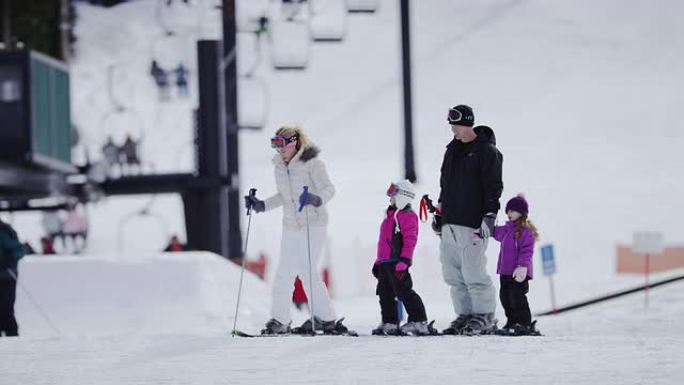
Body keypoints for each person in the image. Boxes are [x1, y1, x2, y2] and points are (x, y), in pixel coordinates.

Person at [244, 125, 347, 335]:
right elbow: (284, 196)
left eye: (281, 144)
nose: (278, 149)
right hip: (290, 225)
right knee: (284, 272)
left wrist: (316, 199)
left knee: (306, 268)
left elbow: (329, 189)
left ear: (294, 142)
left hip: (313, 223)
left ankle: (326, 318)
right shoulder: (279, 167)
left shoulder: (312, 163)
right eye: (275, 144)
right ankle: (280, 319)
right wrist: (261, 205)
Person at [435, 104, 503, 335]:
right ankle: (465, 315)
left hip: (473, 222)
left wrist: (489, 217)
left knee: (473, 271)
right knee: (453, 273)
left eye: (455, 124)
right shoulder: (451, 151)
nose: (452, 129)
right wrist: (439, 212)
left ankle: (484, 315)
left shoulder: (487, 152)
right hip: (451, 221)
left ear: (467, 123)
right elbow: (445, 184)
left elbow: (493, 187)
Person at [371, 180, 429, 336]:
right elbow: (383, 243)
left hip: (397, 263)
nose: (391, 200)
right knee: (385, 293)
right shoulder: (389, 217)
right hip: (385, 263)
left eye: (394, 197)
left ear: (403, 197)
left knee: (404, 291)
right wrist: (378, 262)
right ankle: (390, 322)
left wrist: (405, 260)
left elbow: (410, 240)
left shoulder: (407, 216)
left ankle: (419, 320)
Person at [493, 194, 541, 336]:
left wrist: (522, 266)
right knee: (505, 298)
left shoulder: (526, 231)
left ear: (521, 213)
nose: (509, 214)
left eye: (512, 211)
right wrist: (481, 232)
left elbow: (526, 251)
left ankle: (524, 323)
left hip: (518, 272)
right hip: (505, 272)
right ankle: (512, 322)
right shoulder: (507, 229)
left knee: (517, 298)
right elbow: (494, 232)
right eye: (508, 211)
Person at [0, 219, 26, 336]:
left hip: (6, 277)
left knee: (6, 309)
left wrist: (8, 260)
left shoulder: (4, 231)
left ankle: (12, 339)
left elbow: (19, 250)